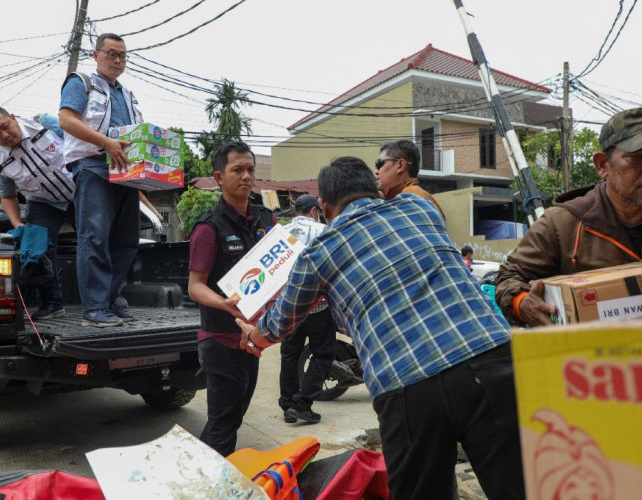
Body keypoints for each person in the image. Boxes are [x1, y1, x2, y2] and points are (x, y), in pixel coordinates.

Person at [237, 157, 524, 499]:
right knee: (524, 487)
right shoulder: (420, 208)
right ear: (376, 189)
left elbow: (281, 323)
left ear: (324, 207)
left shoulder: (317, 254)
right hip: (489, 358)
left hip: (407, 387)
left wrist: (253, 336)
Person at [496, 107, 642, 326]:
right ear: (603, 165)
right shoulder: (562, 224)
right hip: (595, 356)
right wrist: (522, 302)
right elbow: (509, 278)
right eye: (636, 159)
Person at [188, 141, 275, 457]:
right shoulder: (209, 228)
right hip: (220, 340)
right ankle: (213, 486)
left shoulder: (267, 220)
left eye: (250, 169)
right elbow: (195, 286)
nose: (246, 176)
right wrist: (222, 302)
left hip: (253, 338)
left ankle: (192, 467)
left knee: (230, 417)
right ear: (219, 177)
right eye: (237, 169)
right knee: (225, 427)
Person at [59, 33, 143, 327]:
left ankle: (109, 299)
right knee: (94, 237)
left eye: (122, 55)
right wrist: (106, 143)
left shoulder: (128, 95)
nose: (117, 60)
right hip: (93, 166)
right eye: (111, 53)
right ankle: (94, 308)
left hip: (126, 173)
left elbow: (138, 135)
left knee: (127, 241)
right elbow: (67, 120)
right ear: (96, 56)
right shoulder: (81, 83)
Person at [0, 106, 75, 321]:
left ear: (12, 117)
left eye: (5, 127)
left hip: (80, 191)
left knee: (95, 242)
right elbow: (8, 196)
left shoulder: (44, 124)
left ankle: (105, 302)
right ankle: (52, 304)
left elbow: (80, 143)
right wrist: (18, 224)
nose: (5, 135)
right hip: (42, 202)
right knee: (36, 249)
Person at [279, 194, 336, 425]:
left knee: (290, 354)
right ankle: (302, 404)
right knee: (323, 353)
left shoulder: (281, 233)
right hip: (317, 306)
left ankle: (287, 405)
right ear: (314, 210)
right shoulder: (324, 230)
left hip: (288, 307)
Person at [375, 139, 446, 218]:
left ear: (400, 165)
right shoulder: (393, 199)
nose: (376, 171)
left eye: (379, 164)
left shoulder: (415, 199)